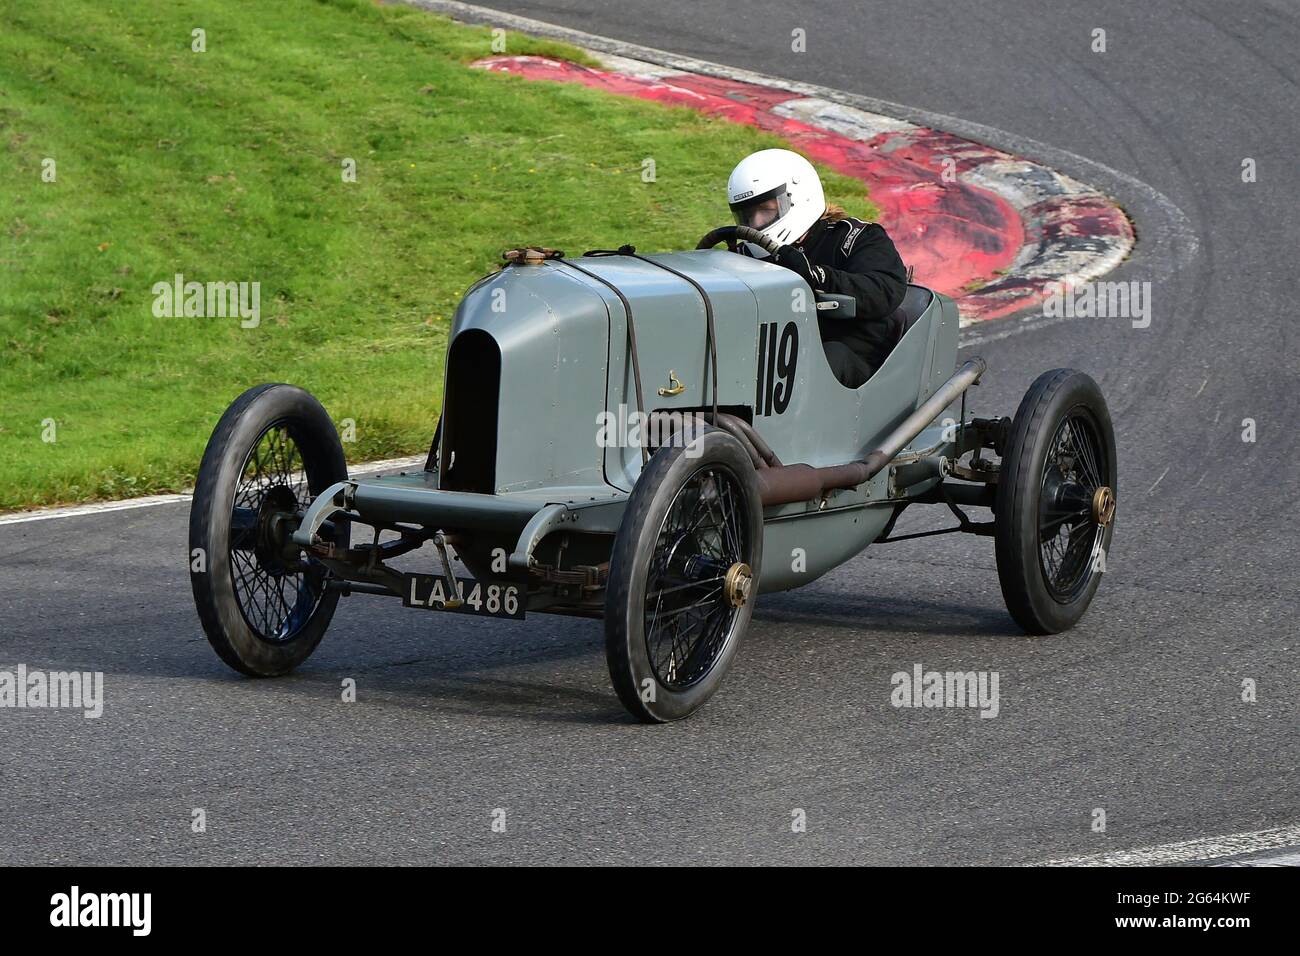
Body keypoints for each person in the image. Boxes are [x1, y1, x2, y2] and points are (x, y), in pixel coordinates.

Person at [727, 148, 908, 388]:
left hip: (855, 363)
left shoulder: (855, 238)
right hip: (780, 357)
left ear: (798, 196)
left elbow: (884, 291)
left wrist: (817, 277)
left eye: (767, 210)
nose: (756, 224)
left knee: (827, 357)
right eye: (748, 215)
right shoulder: (747, 256)